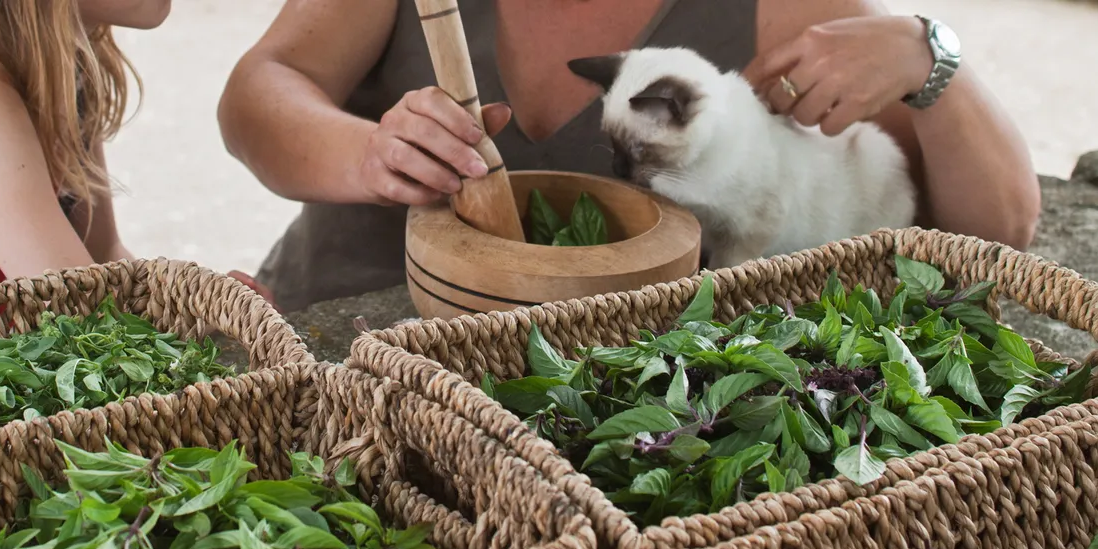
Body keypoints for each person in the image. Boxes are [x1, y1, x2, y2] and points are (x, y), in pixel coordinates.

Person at [218, 0, 1041, 314]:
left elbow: (998, 231)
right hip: (327, 341)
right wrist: (366, 154)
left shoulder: (779, 6)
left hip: (601, 402)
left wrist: (930, 57)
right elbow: (260, 89)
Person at [0, 0, 274, 308]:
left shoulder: (62, 62)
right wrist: (190, 318)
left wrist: (200, 303)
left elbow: (102, 254)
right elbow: (79, 312)